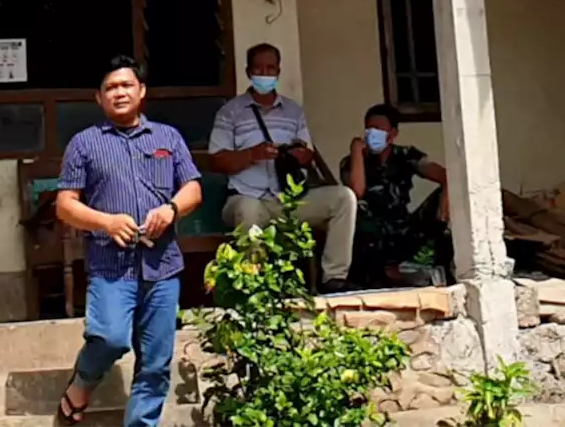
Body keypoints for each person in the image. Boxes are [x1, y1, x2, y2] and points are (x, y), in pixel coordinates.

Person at [53, 56, 203, 427]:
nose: (119, 92)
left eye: (126, 85)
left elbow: (193, 188)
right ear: (99, 98)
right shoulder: (84, 144)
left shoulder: (168, 137)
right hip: (110, 266)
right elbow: (65, 205)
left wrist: (171, 209)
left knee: (154, 365)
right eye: (110, 88)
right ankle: (83, 382)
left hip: (162, 266)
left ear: (142, 91)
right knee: (110, 337)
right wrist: (106, 222)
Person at [208, 42, 358, 294]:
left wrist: (301, 155)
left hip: (289, 201)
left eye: (270, 69)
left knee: (344, 198)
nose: (264, 74)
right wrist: (252, 154)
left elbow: (307, 151)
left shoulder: (293, 111)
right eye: (259, 69)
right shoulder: (230, 112)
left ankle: (334, 278)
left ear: (278, 72)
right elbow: (216, 160)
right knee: (248, 208)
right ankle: (256, 286)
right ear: (248, 72)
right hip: (246, 198)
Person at [341, 103, 452, 287]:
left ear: (392, 134)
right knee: (359, 217)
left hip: (403, 228)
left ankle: (419, 265)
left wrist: (442, 212)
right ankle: (392, 274)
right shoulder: (352, 162)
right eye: (369, 128)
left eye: (378, 129)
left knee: (452, 194)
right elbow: (356, 192)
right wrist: (356, 153)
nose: (372, 133)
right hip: (370, 233)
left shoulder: (406, 155)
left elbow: (446, 176)